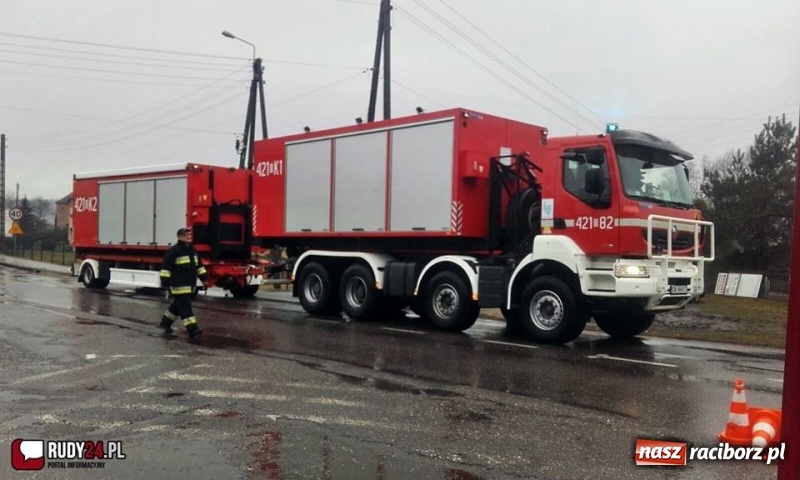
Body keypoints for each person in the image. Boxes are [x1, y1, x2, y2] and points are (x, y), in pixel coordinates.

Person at [159, 227, 208, 338]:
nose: (188, 237)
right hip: (179, 286)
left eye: (189, 235)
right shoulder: (174, 251)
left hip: (190, 285)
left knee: (177, 306)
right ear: (180, 237)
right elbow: (166, 268)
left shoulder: (192, 250)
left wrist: (204, 278)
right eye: (186, 235)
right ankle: (193, 330)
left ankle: (165, 323)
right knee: (185, 308)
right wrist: (165, 283)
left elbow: (199, 266)